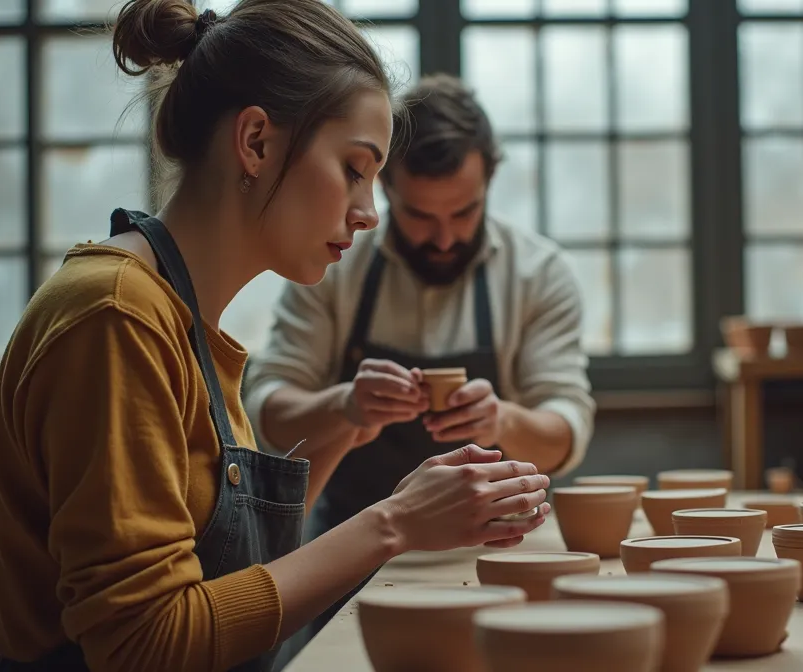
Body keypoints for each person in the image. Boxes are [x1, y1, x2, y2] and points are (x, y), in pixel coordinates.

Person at [0, 2, 550, 671]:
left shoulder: (181, 316)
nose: (369, 214)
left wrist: (345, 425)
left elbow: (235, 574)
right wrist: (392, 523)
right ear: (255, 143)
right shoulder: (118, 316)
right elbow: (145, 644)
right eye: (355, 170)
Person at [243, 73, 596, 663]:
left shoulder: (538, 273)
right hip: (348, 542)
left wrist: (501, 417)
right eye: (419, 216)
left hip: (496, 545)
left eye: (463, 213)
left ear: (488, 180)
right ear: (385, 190)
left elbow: (566, 428)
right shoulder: (331, 262)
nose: (443, 238)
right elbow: (268, 408)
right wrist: (344, 405)